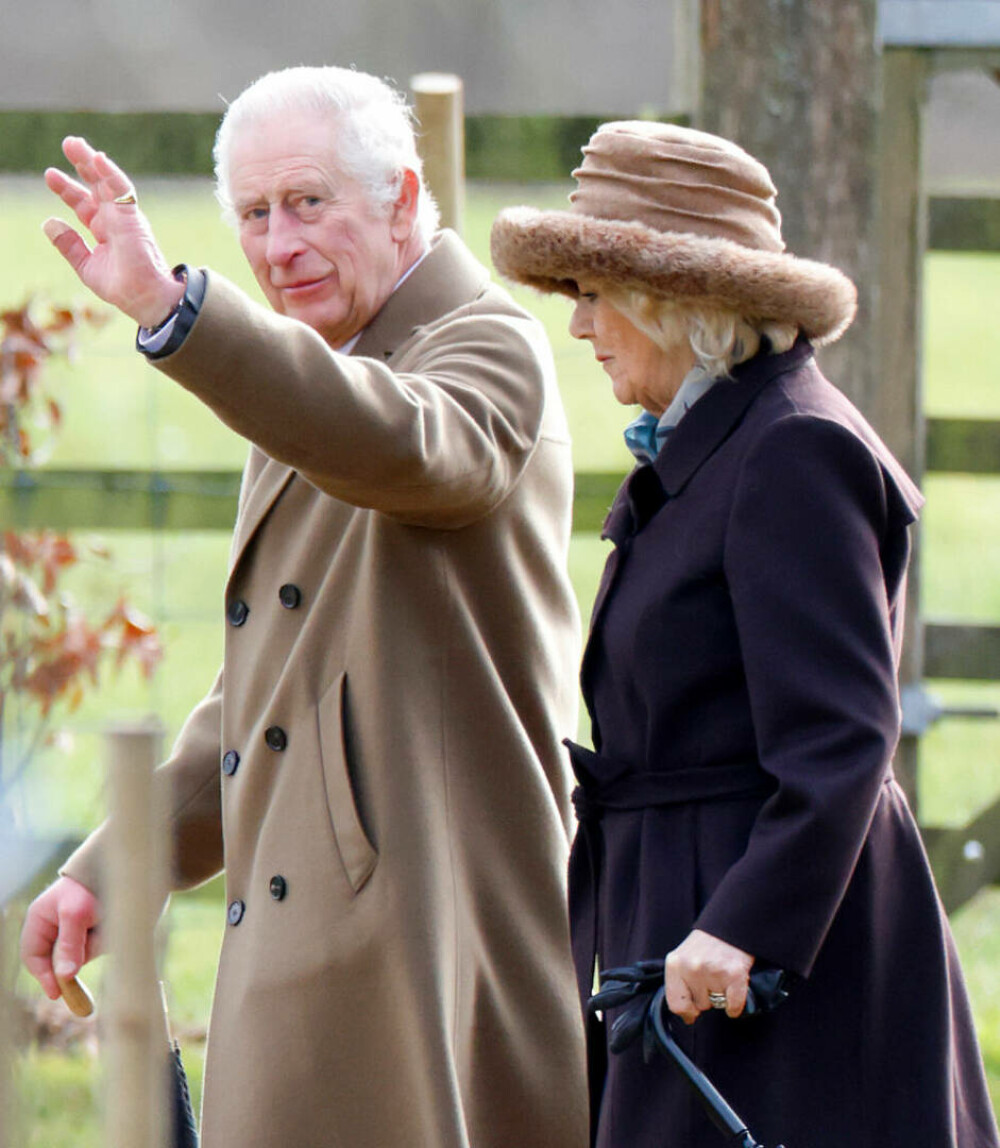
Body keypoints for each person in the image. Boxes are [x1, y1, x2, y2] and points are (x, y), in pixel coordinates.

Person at [20, 66, 589, 1148]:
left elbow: (402, 442)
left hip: (430, 936)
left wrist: (176, 313)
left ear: (403, 195)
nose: (278, 245)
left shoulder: (484, 345)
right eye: (254, 213)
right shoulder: (318, 369)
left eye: (309, 203)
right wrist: (117, 859)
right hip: (310, 943)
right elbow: (265, 689)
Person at [490, 121, 1000, 1148]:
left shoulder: (789, 451)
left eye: (594, 292)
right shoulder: (716, 436)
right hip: (689, 915)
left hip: (761, 955)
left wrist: (742, 925)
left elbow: (843, 734)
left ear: (672, 298)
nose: (580, 325)